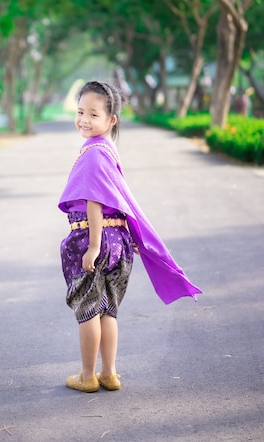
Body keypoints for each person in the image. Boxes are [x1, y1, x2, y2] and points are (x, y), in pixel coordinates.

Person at [58, 80, 202, 393]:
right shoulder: (109, 150)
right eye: (80, 111)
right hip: (117, 242)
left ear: (111, 120)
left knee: (88, 310)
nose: (84, 119)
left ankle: (87, 375)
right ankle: (109, 373)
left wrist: (93, 246)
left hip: (91, 240)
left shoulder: (93, 154)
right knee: (108, 309)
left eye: (93, 114)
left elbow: (94, 200)